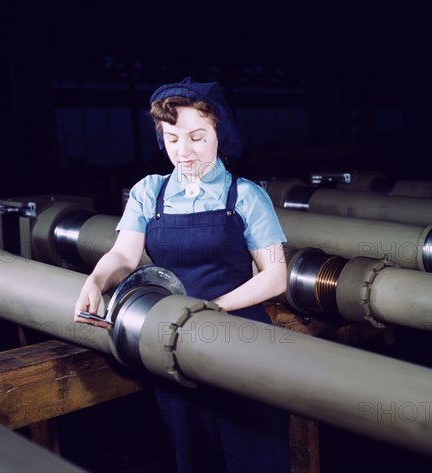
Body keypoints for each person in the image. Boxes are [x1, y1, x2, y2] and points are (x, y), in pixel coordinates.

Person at [74, 76, 291, 473]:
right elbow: (124, 253)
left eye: (197, 137)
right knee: (192, 457)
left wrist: (210, 308)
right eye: (172, 138)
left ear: (219, 133)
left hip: (242, 342)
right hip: (171, 346)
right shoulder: (149, 193)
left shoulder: (244, 196)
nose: (184, 151)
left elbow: (275, 276)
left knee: (255, 457)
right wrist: (95, 281)